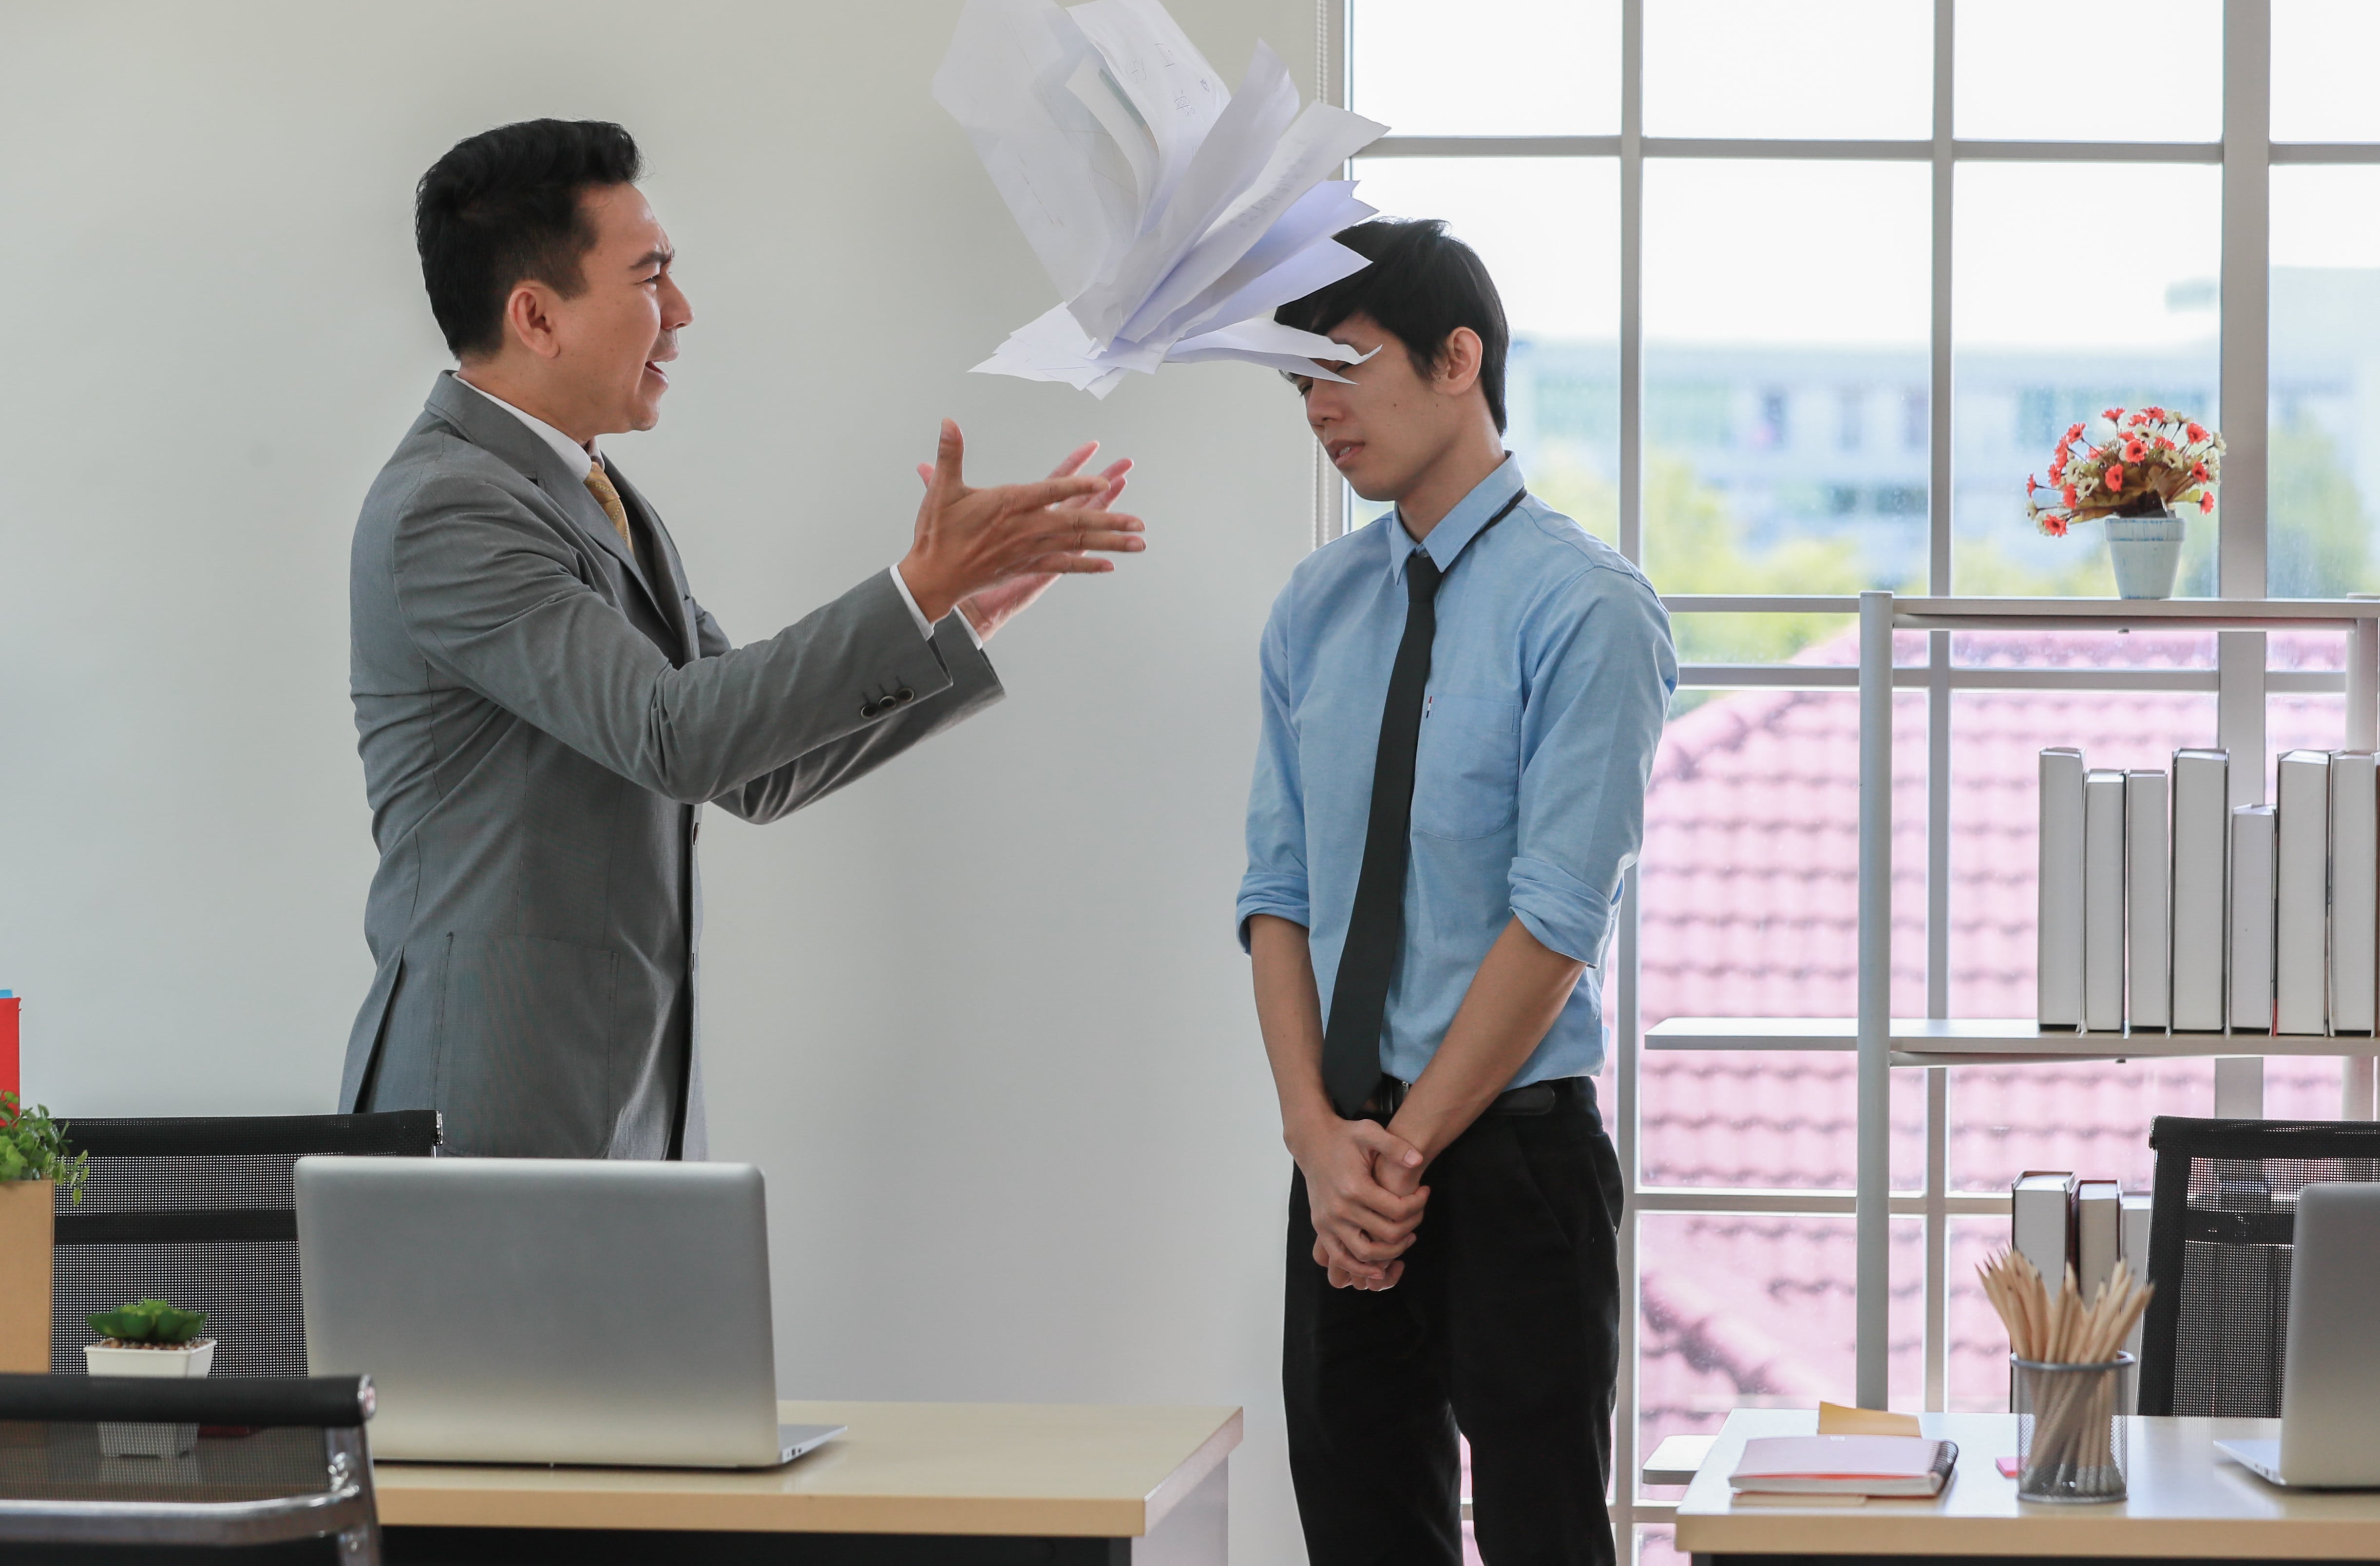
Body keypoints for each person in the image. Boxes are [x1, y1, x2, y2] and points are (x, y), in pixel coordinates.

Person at [341, 118, 1145, 1159]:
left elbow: (749, 765)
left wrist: (961, 611)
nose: (680, 313)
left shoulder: (589, 492)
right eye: (650, 277)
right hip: (491, 1103)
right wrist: (918, 583)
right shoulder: (448, 508)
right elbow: (676, 734)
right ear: (536, 315)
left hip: (623, 1099)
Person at [1236, 218, 1677, 1565]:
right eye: (1295, 382)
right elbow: (1275, 893)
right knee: (1360, 1537)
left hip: (1507, 1161)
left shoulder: (1585, 608)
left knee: (1545, 1537)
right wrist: (1318, 1141)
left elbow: (1553, 919)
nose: (1318, 406)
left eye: (1343, 367)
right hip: (1338, 1155)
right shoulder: (1314, 607)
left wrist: (1399, 1155)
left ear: (1456, 359)